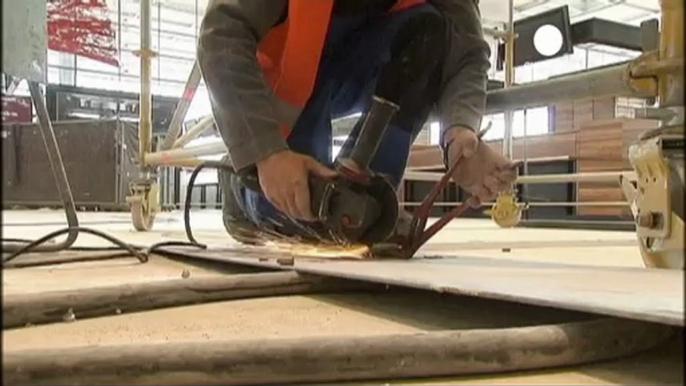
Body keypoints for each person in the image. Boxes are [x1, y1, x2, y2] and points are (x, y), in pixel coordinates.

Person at [198, 0, 518, 246]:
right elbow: (223, 33)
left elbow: (466, 51)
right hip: (289, 76)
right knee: (296, 212)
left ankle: (363, 194)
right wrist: (265, 152)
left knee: (430, 31)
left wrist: (460, 131)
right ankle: (241, 190)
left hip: (363, 56)